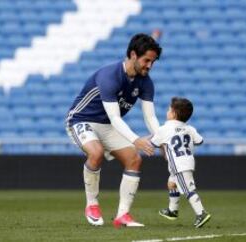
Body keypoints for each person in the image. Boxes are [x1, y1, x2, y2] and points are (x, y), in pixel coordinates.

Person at [65, 33, 162, 228]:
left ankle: (123, 216)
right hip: (81, 120)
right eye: (146, 61)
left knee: (134, 159)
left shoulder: (145, 82)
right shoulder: (110, 76)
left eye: (153, 62)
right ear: (133, 55)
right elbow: (115, 117)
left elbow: (150, 117)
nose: (149, 66)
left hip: (107, 125)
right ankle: (92, 205)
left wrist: (163, 140)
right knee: (96, 152)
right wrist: (136, 139)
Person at [150, 97, 211, 228]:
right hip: (187, 161)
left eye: (169, 109)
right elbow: (200, 141)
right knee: (172, 184)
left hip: (178, 165)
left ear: (173, 113)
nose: (167, 111)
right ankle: (173, 210)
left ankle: (201, 213)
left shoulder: (164, 128)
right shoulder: (190, 128)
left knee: (188, 189)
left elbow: (154, 143)